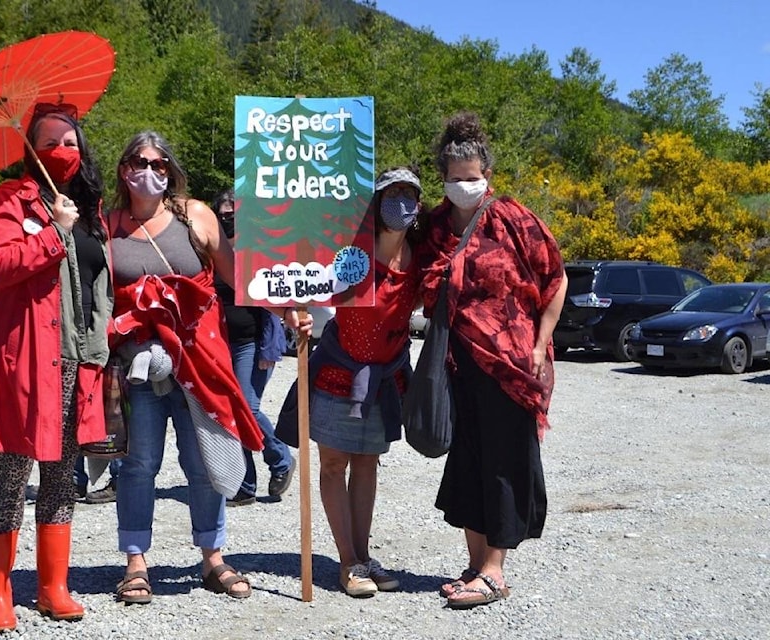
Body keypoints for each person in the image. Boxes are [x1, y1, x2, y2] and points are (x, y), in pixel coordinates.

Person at [106, 131, 311, 604]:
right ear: (124, 168)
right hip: (140, 361)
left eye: (161, 164)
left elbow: (239, 275)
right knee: (139, 464)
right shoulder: (109, 223)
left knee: (205, 461)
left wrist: (288, 310)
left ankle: (213, 557)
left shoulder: (193, 215)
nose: (151, 171)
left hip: (198, 357)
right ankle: (136, 561)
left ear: (171, 171)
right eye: (141, 161)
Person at [419, 112, 568, 609]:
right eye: (456, 178)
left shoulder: (513, 218)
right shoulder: (434, 225)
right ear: (443, 176)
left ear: (487, 173)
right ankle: (473, 563)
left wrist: (540, 341)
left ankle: (495, 572)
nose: (465, 185)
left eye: (473, 176)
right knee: (468, 461)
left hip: (510, 364)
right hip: (455, 365)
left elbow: (557, 278)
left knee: (504, 461)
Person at [0, 103, 113, 633]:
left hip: (79, 360)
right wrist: (53, 232)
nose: (64, 150)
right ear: (31, 148)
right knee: (11, 474)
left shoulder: (88, 208)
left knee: (61, 477)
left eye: (72, 141)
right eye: (52, 141)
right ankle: (0, 593)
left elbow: (99, 283)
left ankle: (54, 587)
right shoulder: (11, 199)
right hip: (28, 360)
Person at [276, 166, 427, 598]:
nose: (400, 201)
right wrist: (299, 314)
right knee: (333, 464)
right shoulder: (348, 248)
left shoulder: (420, 255)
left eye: (409, 193)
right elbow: (304, 278)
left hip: (385, 377)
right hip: (339, 371)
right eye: (392, 192)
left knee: (366, 464)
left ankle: (362, 554)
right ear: (376, 201)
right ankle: (348, 561)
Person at [210, 189, 296, 507]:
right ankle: (245, 484)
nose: (226, 219)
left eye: (232, 214)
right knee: (232, 412)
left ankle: (280, 459)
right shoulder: (212, 254)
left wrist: (269, 352)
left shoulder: (256, 254)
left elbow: (273, 311)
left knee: (248, 407)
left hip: (252, 345)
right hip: (219, 345)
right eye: (221, 213)